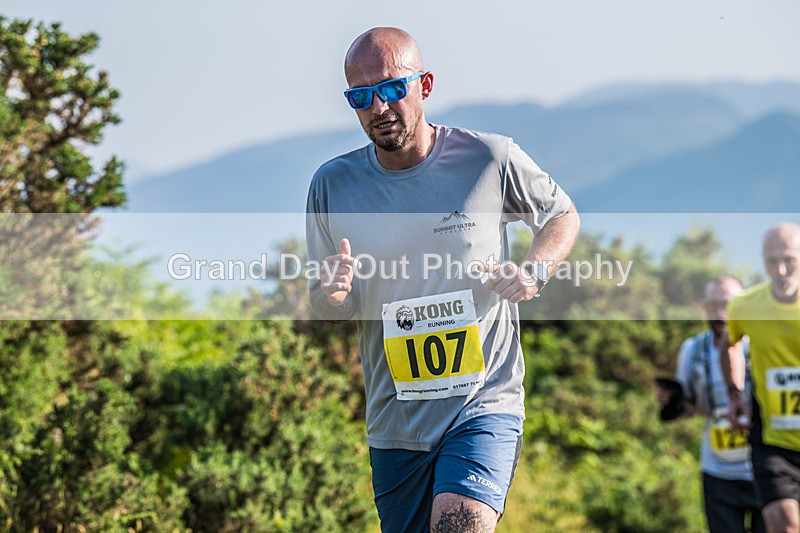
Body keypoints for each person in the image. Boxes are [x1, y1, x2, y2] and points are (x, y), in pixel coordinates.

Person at [305, 27, 580, 532]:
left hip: (483, 404)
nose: (379, 107)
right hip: (396, 424)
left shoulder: (489, 158)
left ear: (425, 85)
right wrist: (333, 294)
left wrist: (534, 271)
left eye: (392, 88)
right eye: (361, 97)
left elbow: (561, 216)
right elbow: (327, 305)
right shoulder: (332, 184)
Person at [656, 275, 764, 533]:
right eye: (712, 305)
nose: (720, 313)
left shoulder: (761, 345)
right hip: (718, 471)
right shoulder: (693, 350)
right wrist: (672, 401)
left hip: (763, 468)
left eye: (727, 304)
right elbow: (689, 409)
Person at [722, 222, 800, 533]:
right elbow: (730, 344)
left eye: (789, 260)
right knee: (784, 524)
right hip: (773, 441)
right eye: (772, 261)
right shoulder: (745, 305)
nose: (781, 271)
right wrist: (735, 392)